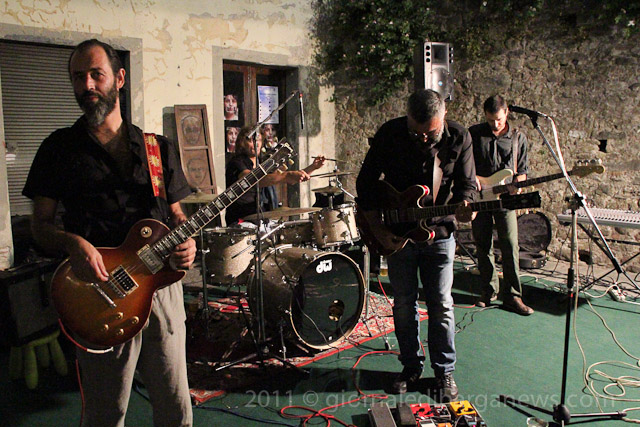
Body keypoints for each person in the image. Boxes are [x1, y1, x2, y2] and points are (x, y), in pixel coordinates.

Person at [22, 39, 195, 426]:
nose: (86, 85)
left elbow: (176, 214)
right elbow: (40, 226)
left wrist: (188, 241)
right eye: (78, 77)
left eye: (96, 74)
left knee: (175, 407)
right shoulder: (57, 149)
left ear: (119, 78)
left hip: (161, 289)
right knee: (105, 414)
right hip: (99, 293)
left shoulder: (157, 148)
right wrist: (72, 244)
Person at [356, 89, 476, 400]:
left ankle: (444, 372)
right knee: (403, 303)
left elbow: (467, 185)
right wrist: (378, 228)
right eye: (416, 132)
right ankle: (410, 366)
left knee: (441, 304)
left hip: (440, 234)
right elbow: (365, 182)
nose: (422, 138)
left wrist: (468, 205)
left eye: (430, 133)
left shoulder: (459, 137)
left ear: (444, 117)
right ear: (407, 117)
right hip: (397, 235)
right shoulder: (391, 133)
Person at [469, 95, 534, 315]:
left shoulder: (518, 138)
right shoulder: (474, 134)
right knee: (482, 244)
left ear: (506, 113)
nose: (495, 124)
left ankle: (513, 296)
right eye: (490, 120)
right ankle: (488, 291)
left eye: (498, 119)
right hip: (480, 197)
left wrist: (519, 185)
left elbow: (522, 171)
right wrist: (472, 178)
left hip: (505, 199)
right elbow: (464, 163)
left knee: (510, 245)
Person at [225, 125, 325, 225]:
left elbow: (291, 177)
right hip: (240, 221)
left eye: (259, 140)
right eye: (251, 140)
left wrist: (312, 167)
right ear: (242, 143)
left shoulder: (262, 163)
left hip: (260, 219)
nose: (256, 144)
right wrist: (286, 176)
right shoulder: (237, 162)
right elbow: (251, 180)